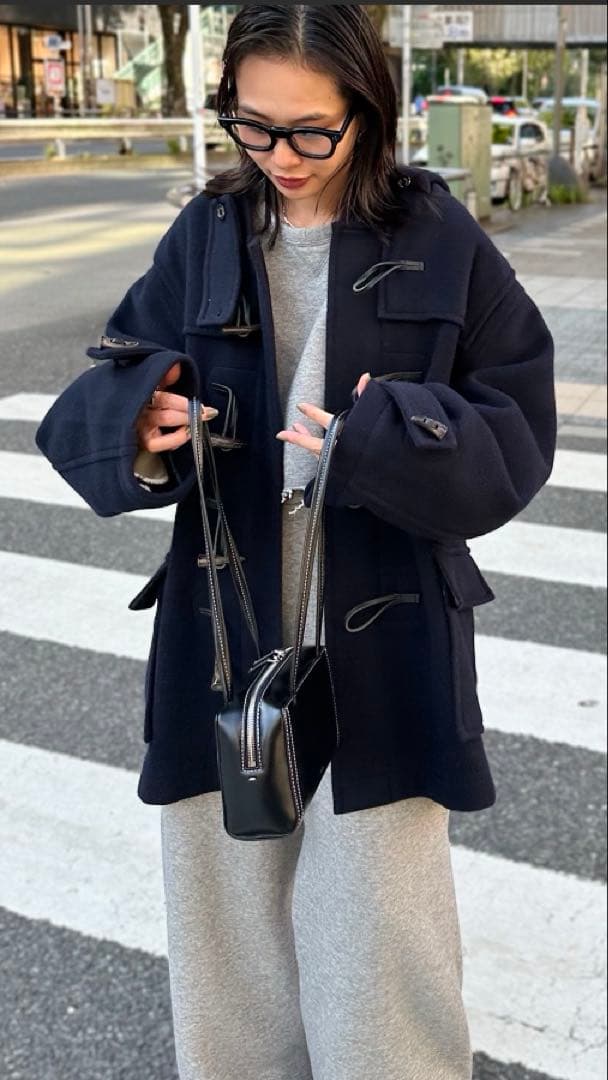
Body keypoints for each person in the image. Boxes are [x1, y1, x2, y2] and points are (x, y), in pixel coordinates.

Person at [36, 6, 556, 1079]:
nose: (281, 155)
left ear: (367, 110)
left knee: (382, 961)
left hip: (386, 642)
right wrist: (142, 421)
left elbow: (518, 426)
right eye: (253, 125)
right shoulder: (206, 232)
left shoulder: (436, 234)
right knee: (231, 952)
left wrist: (385, 441)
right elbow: (107, 381)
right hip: (221, 640)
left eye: (312, 129)